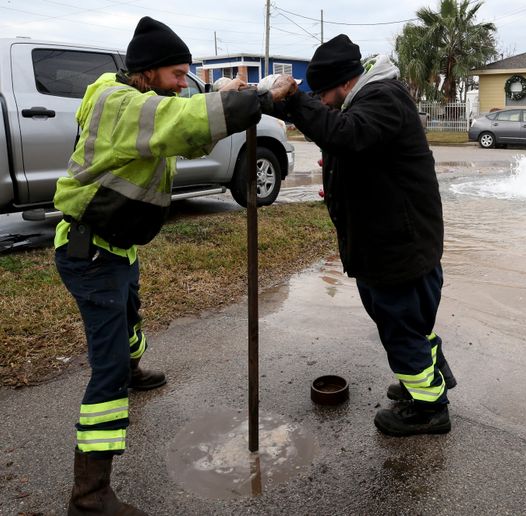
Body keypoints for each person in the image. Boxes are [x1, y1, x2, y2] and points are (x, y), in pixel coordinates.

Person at [54, 16, 291, 515]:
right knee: (107, 370)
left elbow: (186, 128)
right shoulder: (116, 103)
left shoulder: (141, 98)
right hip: (90, 250)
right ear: (147, 71)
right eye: (178, 74)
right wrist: (259, 100)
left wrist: (223, 94)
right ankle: (90, 496)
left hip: (116, 243)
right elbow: (179, 122)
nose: (184, 84)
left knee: (130, 314)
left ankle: (134, 366)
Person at [270, 34, 457, 437]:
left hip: (398, 245)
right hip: (391, 241)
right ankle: (423, 378)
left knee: (401, 325)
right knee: (410, 322)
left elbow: (346, 134)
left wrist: (295, 103)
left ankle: (429, 408)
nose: (320, 100)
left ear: (342, 83)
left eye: (321, 93)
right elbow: (348, 141)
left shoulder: (382, 99)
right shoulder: (366, 101)